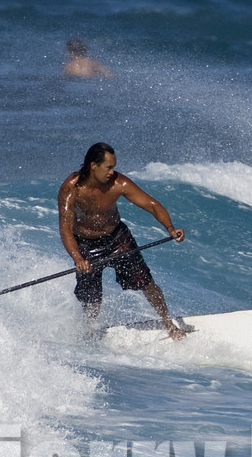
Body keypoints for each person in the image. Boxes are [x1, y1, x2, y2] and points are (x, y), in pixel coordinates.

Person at [58, 142, 186, 337]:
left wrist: (170, 228)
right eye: (108, 167)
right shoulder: (71, 188)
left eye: (113, 167)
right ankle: (89, 333)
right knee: (91, 298)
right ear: (94, 166)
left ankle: (168, 325)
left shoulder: (119, 184)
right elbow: (66, 228)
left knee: (147, 283)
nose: (112, 172)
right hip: (85, 244)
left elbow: (151, 204)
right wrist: (77, 258)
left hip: (118, 239)